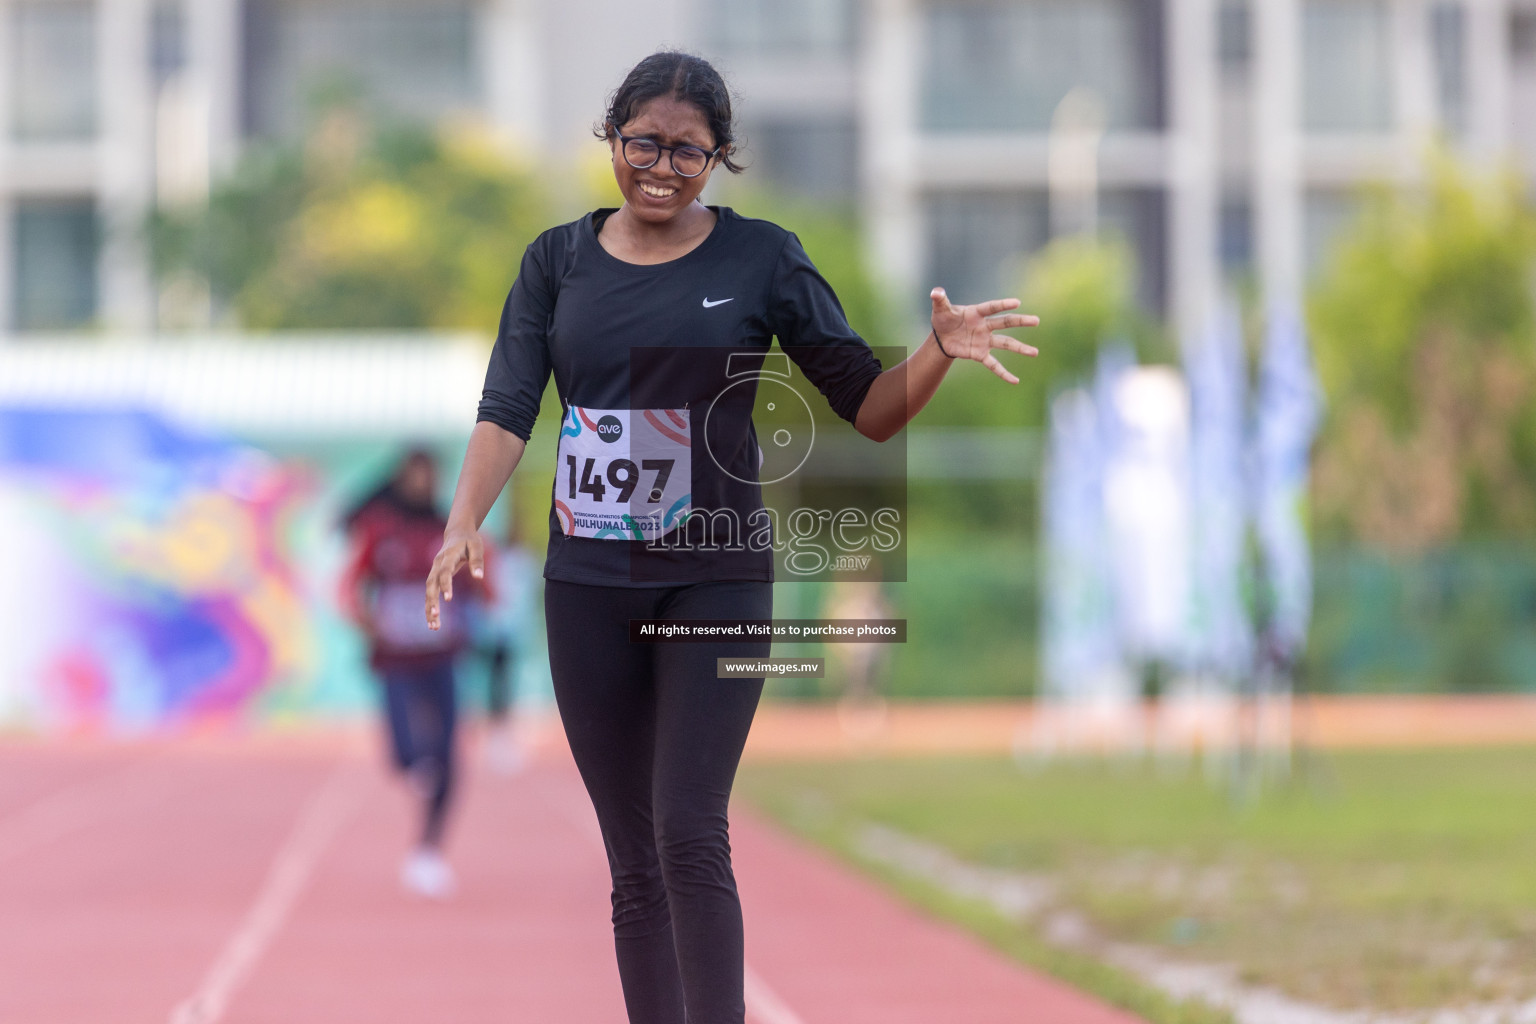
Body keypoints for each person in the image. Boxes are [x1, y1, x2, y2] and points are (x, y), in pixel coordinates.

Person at [424, 51, 1038, 1024]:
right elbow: (507, 408)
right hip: (589, 582)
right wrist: (464, 520)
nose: (662, 166)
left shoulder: (762, 258)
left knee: (689, 830)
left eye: (689, 152)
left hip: (713, 576)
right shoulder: (556, 261)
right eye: (644, 143)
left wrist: (935, 353)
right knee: (632, 857)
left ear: (720, 159)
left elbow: (869, 408)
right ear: (612, 138)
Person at [343, 447, 480, 898]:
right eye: (415, 474)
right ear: (402, 477)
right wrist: (366, 620)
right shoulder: (380, 529)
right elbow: (350, 584)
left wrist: (478, 601)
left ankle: (428, 849)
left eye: (429, 474)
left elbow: (482, 585)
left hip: (441, 658)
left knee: (448, 759)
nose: (422, 483)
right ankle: (416, 765)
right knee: (405, 754)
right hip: (397, 659)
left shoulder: (450, 529)